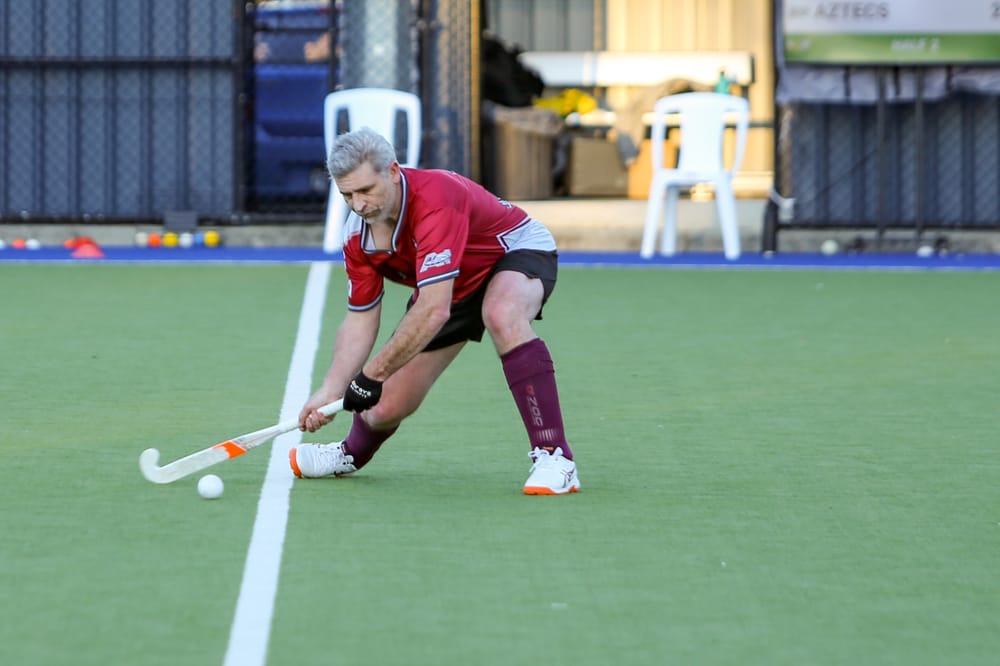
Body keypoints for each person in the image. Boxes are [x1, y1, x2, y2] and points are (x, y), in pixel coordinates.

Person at [290, 126, 579, 495]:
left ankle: (556, 457)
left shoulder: (436, 198)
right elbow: (361, 318)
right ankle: (350, 453)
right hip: (451, 286)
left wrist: (370, 375)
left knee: (501, 312)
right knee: (382, 408)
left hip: (512, 252)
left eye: (366, 190)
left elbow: (433, 309)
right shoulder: (357, 236)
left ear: (393, 172)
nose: (359, 205)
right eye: (347, 194)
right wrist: (330, 391)